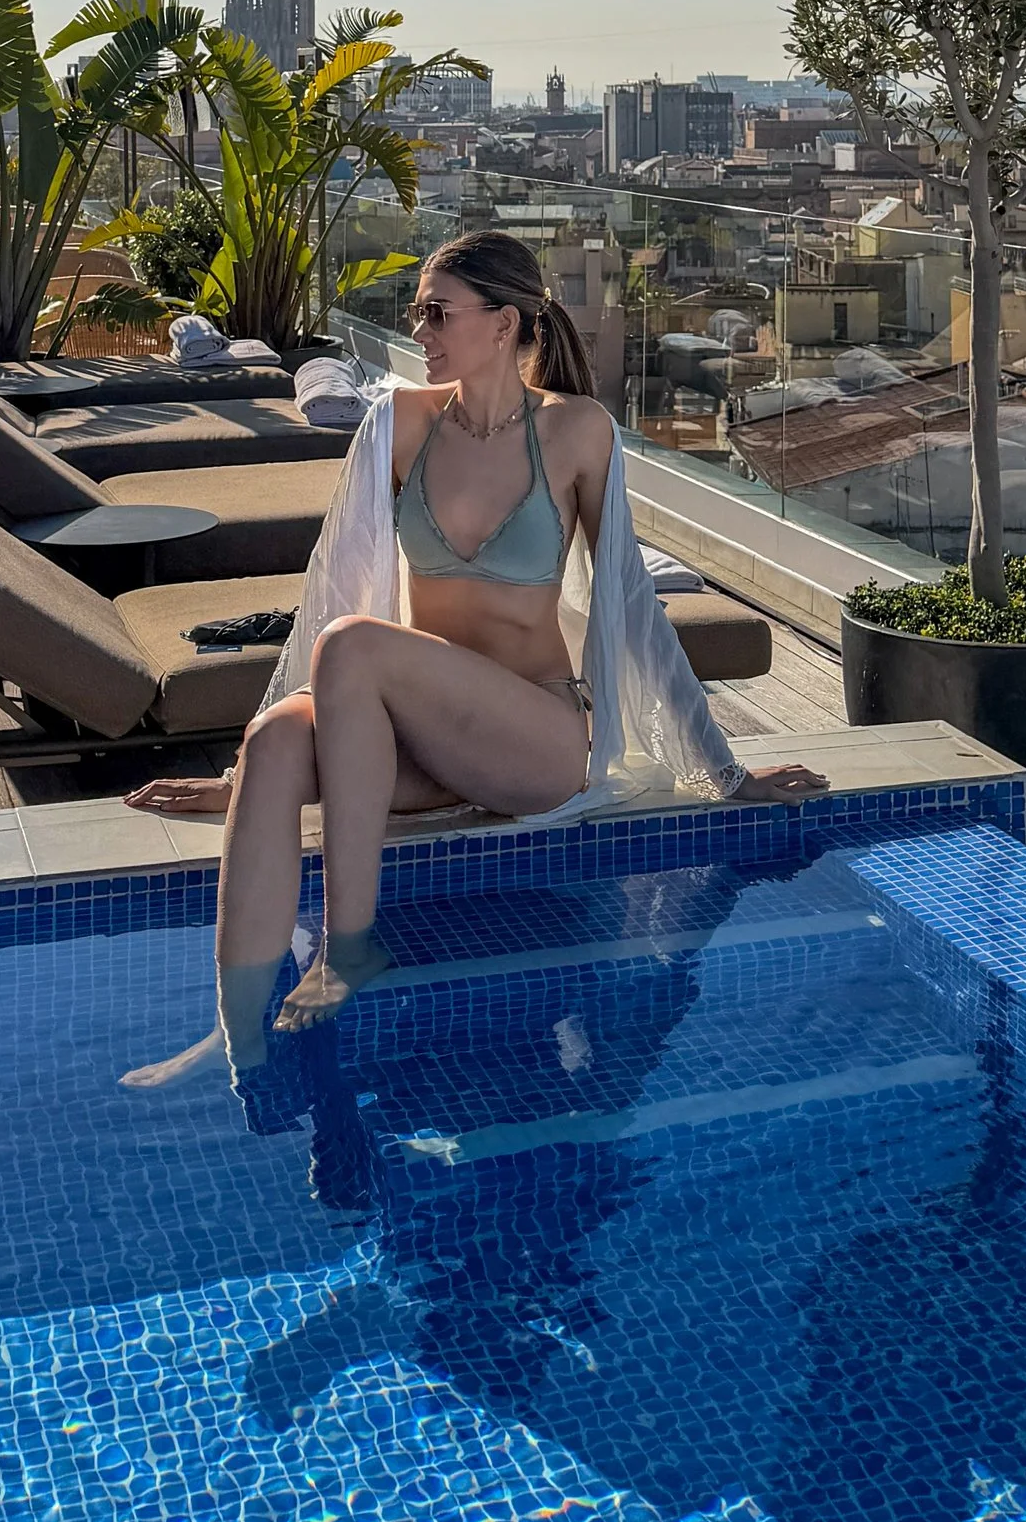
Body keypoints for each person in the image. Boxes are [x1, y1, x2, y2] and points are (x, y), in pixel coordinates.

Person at [122, 228, 824, 1086]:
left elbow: (631, 605)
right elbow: (334, 591)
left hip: (536, 740)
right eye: (419, 314)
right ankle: (239, 1037)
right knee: (271, 741)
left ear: (504, 323)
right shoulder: (399, 425)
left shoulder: (576, 431)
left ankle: (349, 947)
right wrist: (241, 778)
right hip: (420, 740)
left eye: (436, 313)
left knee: (353, 650)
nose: (418, 332)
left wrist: (725, 772)